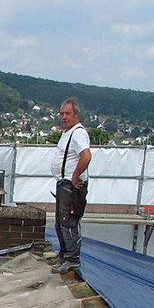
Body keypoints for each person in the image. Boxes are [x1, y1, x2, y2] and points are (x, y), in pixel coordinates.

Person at [50, 98, 91, 274]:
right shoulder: (68, 132)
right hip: (64, 183)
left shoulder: (78, 133)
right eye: (62, 113)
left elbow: (86, 156)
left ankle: (73, 259)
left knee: (68, 222)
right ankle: (64, 254)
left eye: (68, 113)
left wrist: (74, 177)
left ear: (76, 115)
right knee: (60, 222)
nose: (64, 117)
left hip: (71, 186)